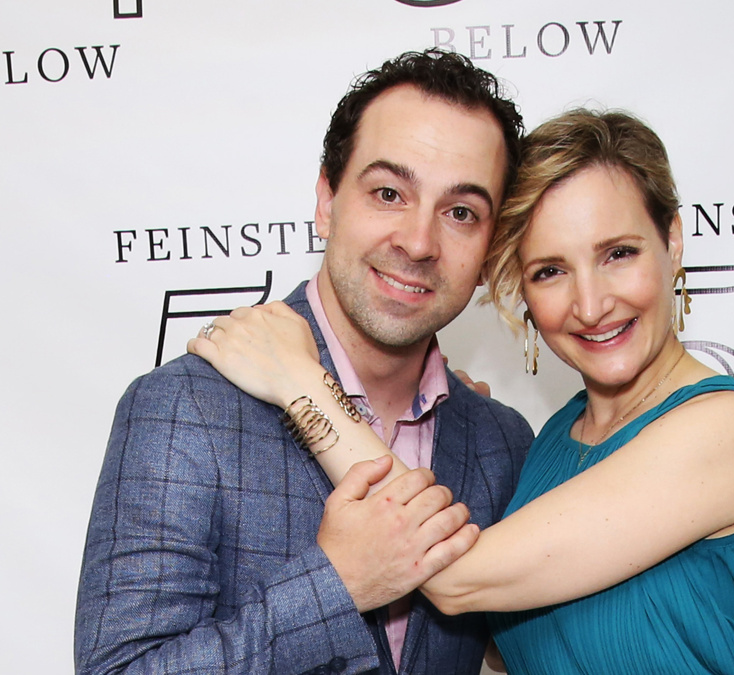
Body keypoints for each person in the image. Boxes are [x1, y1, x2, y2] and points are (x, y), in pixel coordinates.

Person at [190, 109, 734, 673]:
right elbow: (505, 645)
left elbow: (455, 578)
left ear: (672, 241)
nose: (592, 304)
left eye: (619, 253)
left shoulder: (726, 428)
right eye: (550, 271)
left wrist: (301, 383)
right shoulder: (538, 447)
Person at [75, 50, 533, 675]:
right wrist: (337, 585)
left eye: (460, 213)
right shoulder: (183, 408)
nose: (419, 242)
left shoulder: (499, 440)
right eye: (389, 192)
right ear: (326, 199)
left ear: (490, 245)